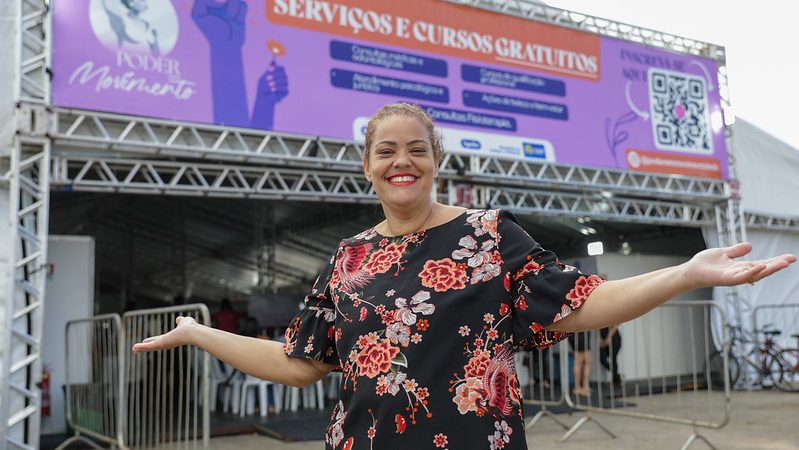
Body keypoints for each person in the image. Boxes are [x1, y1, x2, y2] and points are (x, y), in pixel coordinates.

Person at [133, 103, 796, 449]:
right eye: (385, 150)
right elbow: (302, 362)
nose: (401, 161)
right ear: (365, 165)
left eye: (415, 149)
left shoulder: (487, 235)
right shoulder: (349, 259)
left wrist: (683, 272)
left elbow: (580, 301)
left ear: (435, 161)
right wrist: (200, 333)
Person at [568, 330, 593, 397]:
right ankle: (584, 387)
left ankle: (577, 387)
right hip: (581, 333)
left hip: (572, 333)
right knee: (585, 361)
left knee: (578, 360)